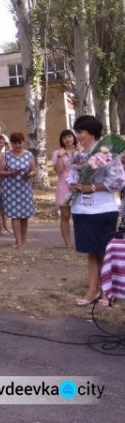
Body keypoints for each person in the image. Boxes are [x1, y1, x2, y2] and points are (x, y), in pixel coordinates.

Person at [67, 115, 125, 305]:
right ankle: (93, 289)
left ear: (91, 132)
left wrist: (91, 187)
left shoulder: (108, 153)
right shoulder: (78, 155)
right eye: (76, 132)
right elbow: (72, 173)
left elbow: (118, 181)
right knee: (92, 251)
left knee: (105, 251)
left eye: (80, 132)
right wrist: (72, 183)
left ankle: (109, 291)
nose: (77, 136)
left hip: (103, 209)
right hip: (81, 209)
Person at [0, 132, 36, 248]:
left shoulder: (29, 155)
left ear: (23, 142)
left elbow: (34, 170)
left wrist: (30, 174)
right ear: (11, 143)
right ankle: (18, 241)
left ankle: (24, 240)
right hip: (11, 189)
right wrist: (10, 173)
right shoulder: (6, 155)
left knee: (25, 216)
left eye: (20, 143)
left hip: (25, 189)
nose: (18, 145)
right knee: (15, 215)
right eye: (15, 143)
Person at [51, 129, 78, 248]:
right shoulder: (58, 152)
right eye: (64, 138)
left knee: (80, 214)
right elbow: (58, 170)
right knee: (65, 215)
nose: (67, 139)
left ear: (74, 137)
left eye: (69, 137)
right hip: (64, 184)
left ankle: (82, 240)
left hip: (79, 184)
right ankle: (67, 243)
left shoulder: (81, 151)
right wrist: (60, 156)